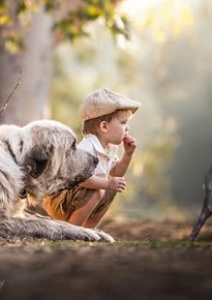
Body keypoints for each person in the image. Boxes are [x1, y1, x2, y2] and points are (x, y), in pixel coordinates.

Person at [42, 88, 141, 228]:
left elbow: (116, 173)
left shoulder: (109, 148)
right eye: (123, 122)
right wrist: (107, 184)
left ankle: (89, 229)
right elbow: (81, 179)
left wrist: (128, 155)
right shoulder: (86, 148)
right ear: (104, 126)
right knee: (99, 188)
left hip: (75, 198)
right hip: (59, 200)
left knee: (110, 188)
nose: (127, 128)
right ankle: (73, 229)